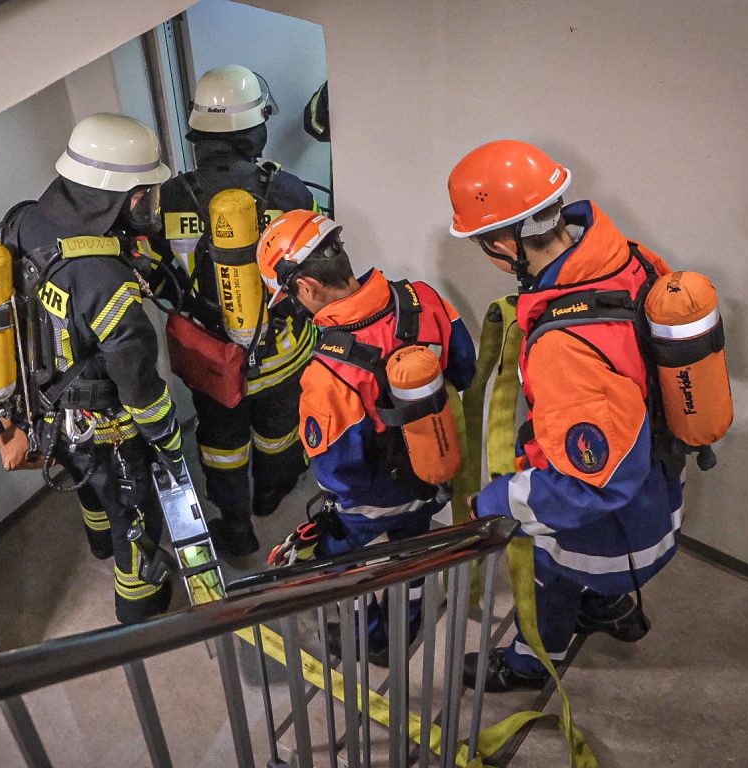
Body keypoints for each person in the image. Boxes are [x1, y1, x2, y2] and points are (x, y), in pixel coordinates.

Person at [447, 140, 684, 691]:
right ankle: (609, 608)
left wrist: (495, 500)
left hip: (611, 529)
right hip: (658, 487)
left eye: (484, 242)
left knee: (546, 583)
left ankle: (531, 662)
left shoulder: (569, 342)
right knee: (579, 572)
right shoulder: (627, 256)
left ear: (505, 239)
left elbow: (589, 486)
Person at [257, 209, 476, 664]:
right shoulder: (423, 298)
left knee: (339, 558)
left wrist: (338, 513)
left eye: (292, 301)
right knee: (411, 551)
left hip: (375, 500)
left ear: (307, 287)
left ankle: (367, 637)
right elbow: (466, 370)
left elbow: (341, 475)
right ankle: (407, 628)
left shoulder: (326, 374)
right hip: (433, 476)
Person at [0, 113, 183, 624]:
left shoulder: (25, 218)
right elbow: (139, 379)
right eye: (146, 194)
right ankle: (140, 603)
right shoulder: (106, 279)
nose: (150, 205)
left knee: (89, 484)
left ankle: (98, 543)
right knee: (133, 509)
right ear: (121, 196)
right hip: (105, 424)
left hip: (43, 409)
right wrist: (165, 435)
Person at [156, 64, 319, 557]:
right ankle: (272, 494)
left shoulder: (167, 198)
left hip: (212, 359)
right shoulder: (290, 192)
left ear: (197, 136)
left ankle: (235, 520)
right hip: (281, 355)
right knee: (278, 430)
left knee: (221, 442)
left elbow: (163, 273)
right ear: (256, 131)